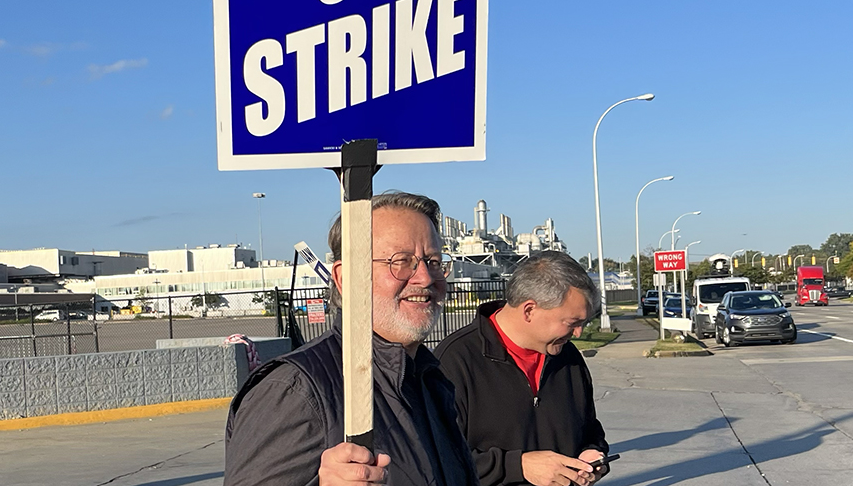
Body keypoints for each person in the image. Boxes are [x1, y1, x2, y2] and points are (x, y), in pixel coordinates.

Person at [225, 192, 478, 486]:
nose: (425, 277)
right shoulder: (295, 390)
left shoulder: (428, 379)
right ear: (346, 278)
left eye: (433, 261)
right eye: (402, 261)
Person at [436, 252, 610, 486]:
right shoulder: (455, 360)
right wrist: (518, 466)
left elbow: (589, 428)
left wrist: (592, 453)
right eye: (572, 323)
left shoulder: (568, 357)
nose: (578, 333)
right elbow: (439, 459)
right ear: (529, 310)